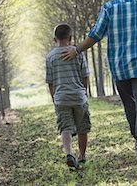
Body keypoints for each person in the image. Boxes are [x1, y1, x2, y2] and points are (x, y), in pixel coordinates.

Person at [62, 0, 137, 162]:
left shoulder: (109, 8)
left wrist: (77, 49)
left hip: (120, 67)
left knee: (130, 105)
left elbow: (95, 35)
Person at [46, 23, 91, 169]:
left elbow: (50, 81)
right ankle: (82, 156)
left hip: (61, 98)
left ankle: (69, 154)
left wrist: (54, 98)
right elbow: (85, 76)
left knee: (65, 127)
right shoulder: (78, 53)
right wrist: (83, 91)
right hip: (78, 96)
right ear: (70, 38)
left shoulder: (50, 57)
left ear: (55, 39)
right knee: (82, 127)